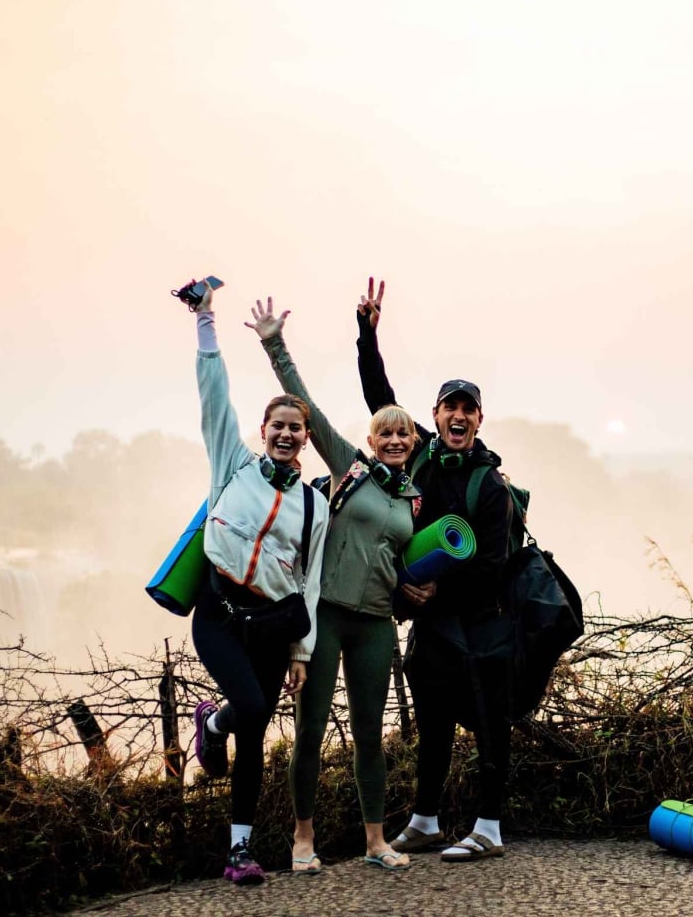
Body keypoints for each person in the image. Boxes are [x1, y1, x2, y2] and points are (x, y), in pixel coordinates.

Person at [245, 296, 423, 873]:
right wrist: (274, 342)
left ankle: (376, 841)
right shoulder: (350, 466)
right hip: (325, 616)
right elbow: (307, 405)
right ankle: (303, 839)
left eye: (403, 435)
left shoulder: (413, 498)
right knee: (310, 732)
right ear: (371, 441)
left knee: (371, 733)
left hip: (374, 622)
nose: (394, 441)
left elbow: (411, 562)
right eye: (385, 434)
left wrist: (421, 590)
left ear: (413, 444)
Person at [354, 278, 517, 863]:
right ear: (436, 415)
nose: (458, 415)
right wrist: (367, 336)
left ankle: (489, 828)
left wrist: (433, 587)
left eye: (467, 408)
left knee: (490, 724)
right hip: (432, 623)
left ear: (478, 420)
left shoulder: (490, 485)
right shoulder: (418, 452)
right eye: (450, 406)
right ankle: (425, 822)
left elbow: (494, 564)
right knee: (434, 721)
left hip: (482, 620)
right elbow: (380, 401)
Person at [183, 284, 329, 885]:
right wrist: (205, 322)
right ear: (264, 430)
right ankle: (213, 724)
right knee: (245, 708)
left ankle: (239, 852)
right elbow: (214, 395)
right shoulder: (233, 466)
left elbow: (309, 582)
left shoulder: (313, 506)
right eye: (279, 425)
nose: (288, 434)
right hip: (219, 613)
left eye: (297, 427)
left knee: (258, 728)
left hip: (272, 625)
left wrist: (302, 652)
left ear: (304, 437)